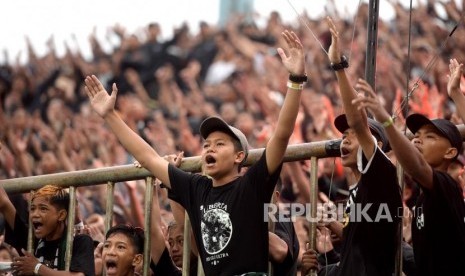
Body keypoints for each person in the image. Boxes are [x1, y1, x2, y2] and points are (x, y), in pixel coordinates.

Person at [84, 28, 305, 275]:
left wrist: (296, 80)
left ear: (239, 157)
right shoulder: (197, 188)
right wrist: (110, 116)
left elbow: (282, 135)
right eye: (206, 145)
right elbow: (147, 156)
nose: (209, 148)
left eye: (220, 144)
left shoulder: (251, 185)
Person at [351, 59, 465, 275]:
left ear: (450, 152)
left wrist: (386, 121)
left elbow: (417, 166)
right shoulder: (423, 198)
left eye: (430, 137)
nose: (418, 141)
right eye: (416, 136)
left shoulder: (446, 186)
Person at [322, 17, 402, 275]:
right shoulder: (357, 191)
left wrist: (338, 65)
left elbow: (358, 120)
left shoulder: (381, 175)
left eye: (351, 135)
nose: (344, 139)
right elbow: (360, 249)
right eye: (343, 135)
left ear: (375, 144)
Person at [0, 184, 95, 276]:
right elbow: (4, 203)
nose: (35, 214)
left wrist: (37, 268)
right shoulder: (31, 240)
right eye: (32, 209)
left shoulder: (80, 241)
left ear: (61, 215)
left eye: (43, 209)